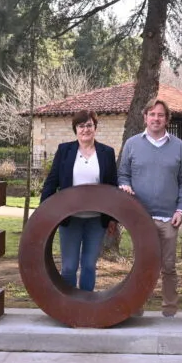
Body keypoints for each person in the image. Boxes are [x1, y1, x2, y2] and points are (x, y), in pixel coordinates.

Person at [118, 98, 182, 316]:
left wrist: (180, 209)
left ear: (167, 119)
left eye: (160, 115)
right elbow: (123, 174)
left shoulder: (178, 146)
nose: (156, 118)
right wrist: (124, 185)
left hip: (169, 218)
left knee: (168, 266)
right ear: (145, 117)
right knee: (141, 264)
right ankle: (136, 305)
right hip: (140, 218)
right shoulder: (132, 144)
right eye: (152, 114)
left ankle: (169, 308)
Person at [41, 110, 118, 291]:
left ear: (95, 128)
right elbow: (52, 182)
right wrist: (43, 213)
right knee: (69, 267)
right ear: (75, 129)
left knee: (89, 266)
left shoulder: (107, 153)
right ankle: (69, 307)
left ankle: (86, 306)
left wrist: (113, 218)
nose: (85, 129)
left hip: (96, 220)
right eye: (81, 126)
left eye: (89, 125)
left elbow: (113, 187)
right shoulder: (64, 150)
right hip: (70, 220)